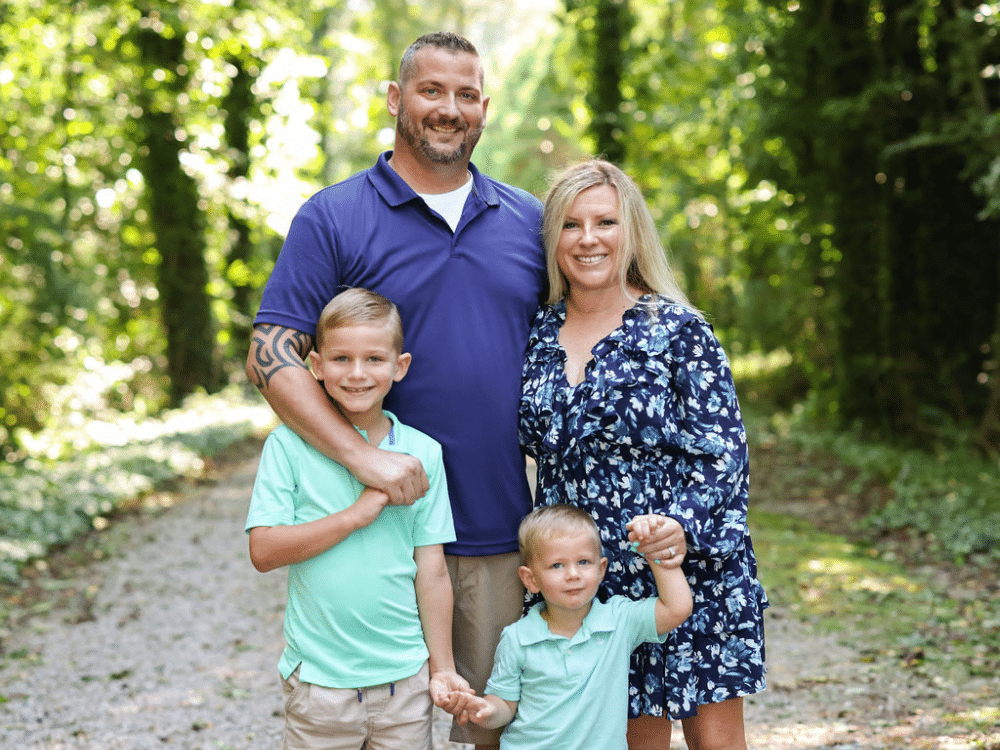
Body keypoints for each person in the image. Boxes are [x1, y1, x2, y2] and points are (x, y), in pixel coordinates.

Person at [245, 32, 547, 749]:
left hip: (501, 534)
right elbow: (270, 354)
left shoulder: (531, 221)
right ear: (394, 98)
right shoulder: (333, 216)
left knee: (500, 731)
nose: (448, 108)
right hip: (376, 542)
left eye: (465, 94)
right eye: (431, 90)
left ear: (484, 108)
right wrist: (363, 459)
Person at [518, 159, 768, 750]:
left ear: (631, 233)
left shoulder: (679, 330)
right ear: (552, 238)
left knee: (715, 742)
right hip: (586, 575)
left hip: (681, 564)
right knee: (625, 740)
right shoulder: (535, 333)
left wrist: (680, 527)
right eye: (571, 224)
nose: (588, 238)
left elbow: (723, 453)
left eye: (605, 221)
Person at [245, 288, 466, 749]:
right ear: (317, 366)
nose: (358, 373)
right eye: (342, 359)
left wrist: (441, 667)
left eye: (374, 359)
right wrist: (352, 516)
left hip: (404, 682)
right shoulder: (287, 447)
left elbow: (432, 570)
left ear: (399, 366)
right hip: (321, 686)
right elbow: (264, 551)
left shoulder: (422, 454)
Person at [437, 504, 693, 750]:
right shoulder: (517, 637)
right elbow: (504, 704)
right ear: (530, 579)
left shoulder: (619, 620)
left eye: (583, 562)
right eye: (557, 565)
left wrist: (654, 551)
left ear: (601, 568)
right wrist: (484, 710)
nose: (573, 574)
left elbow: (676, 608)